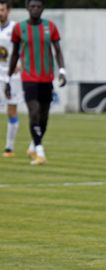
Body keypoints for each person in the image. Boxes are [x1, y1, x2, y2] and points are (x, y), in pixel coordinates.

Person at [5, 0, 66, 165]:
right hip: (28, 78)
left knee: (44, 117)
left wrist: (62, 71)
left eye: (38, 6)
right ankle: (40, 152)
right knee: (34, 111)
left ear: (43, 8)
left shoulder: (51, 27)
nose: (35, 9)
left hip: (47, 78)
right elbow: (14, 55)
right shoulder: (19, 29)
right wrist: (9, 78)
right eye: (32, 6)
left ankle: (33, 146)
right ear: (27, 8)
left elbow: (58, 51)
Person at [0, 0, 22, 158]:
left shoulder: (16, 28)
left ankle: (9, 147)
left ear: (8, 11)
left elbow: (25, 47)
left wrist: (21, 62)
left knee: (11, 110)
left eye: (2, 10)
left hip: (12, 76)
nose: (0, 13)